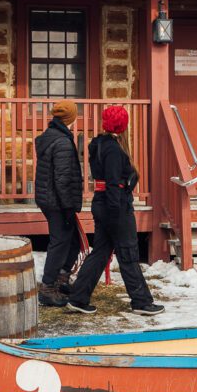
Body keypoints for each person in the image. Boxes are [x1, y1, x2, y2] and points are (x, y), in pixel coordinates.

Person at [64, 105, 165, 316]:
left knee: (101, 252)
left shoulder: (100, 144)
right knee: (128, 253)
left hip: (105, 204)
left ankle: (78, 298)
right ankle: (141, 302)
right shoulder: (112, 149)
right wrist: (116, 211)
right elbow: (112, 183)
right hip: (115, 206)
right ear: (122, 125)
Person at [34, 100, 83, 308]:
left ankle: (61, 279)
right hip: (57, 201)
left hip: (49, 197)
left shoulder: (51, 136)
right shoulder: (62, 141)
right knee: (60, 241)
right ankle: (47, 288)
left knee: (71, 241)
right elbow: (62, 178)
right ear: (71, 118)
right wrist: (67, 207)